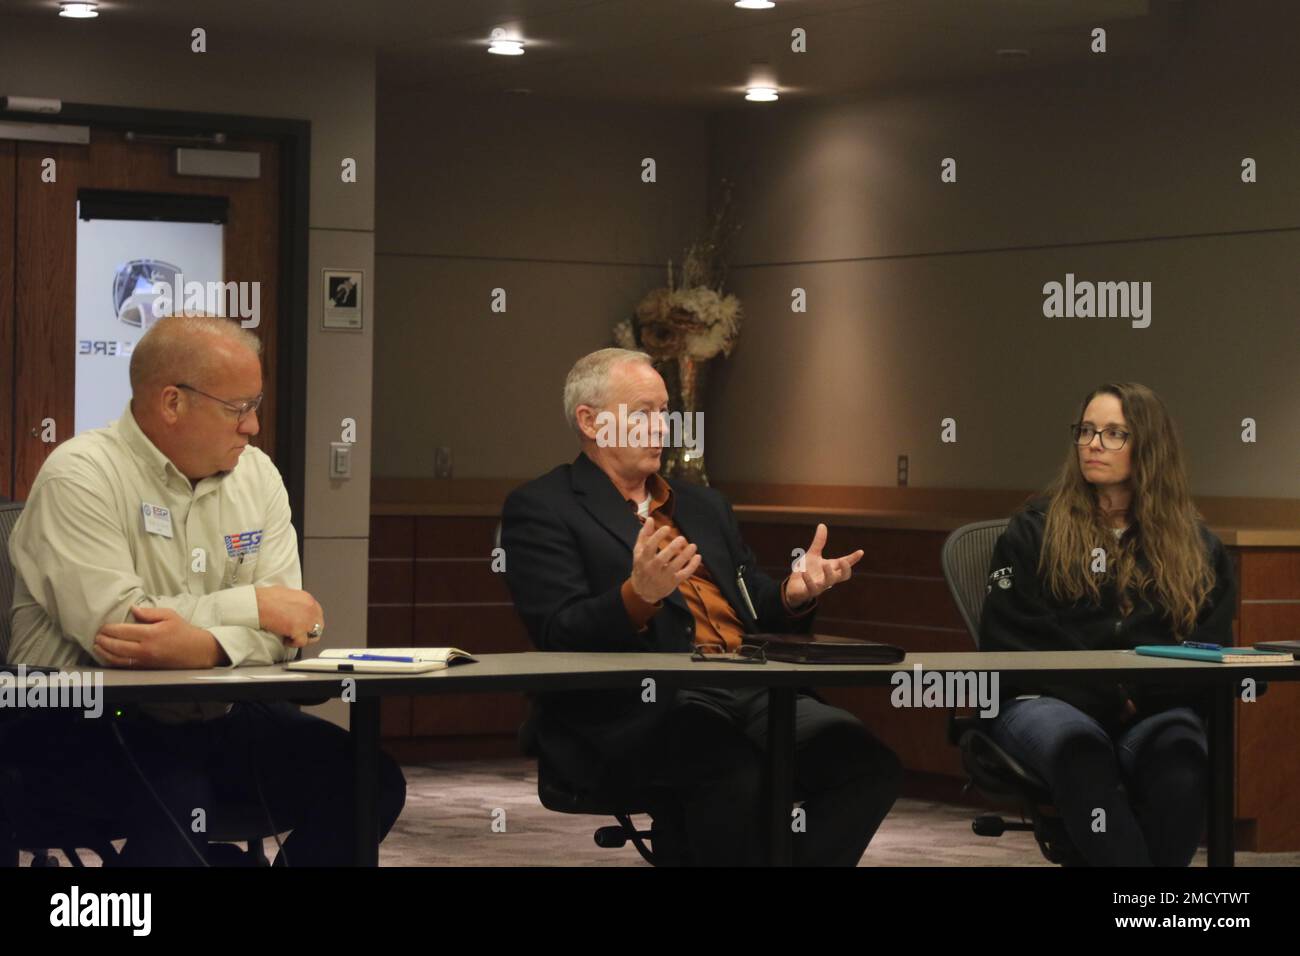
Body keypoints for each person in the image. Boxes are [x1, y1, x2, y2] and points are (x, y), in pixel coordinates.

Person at [4, 314, 405, 865]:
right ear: (172, 402)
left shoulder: (257, 476)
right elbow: (123, 632)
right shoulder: (80, 474)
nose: (254, 427)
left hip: (217, 714)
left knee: (369, 780)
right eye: (239, 408)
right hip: (83, 724)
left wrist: (206, 647)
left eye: (256, 405)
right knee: (180, 796)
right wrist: (253, 608)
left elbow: (290, 629)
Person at [502, 347, 901, 866]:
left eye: (665, 412)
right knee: (733, 772)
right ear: (591, 422)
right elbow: (559, 632)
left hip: (756, 690)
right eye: (643, 413)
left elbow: (754, 603)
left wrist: (794, 594)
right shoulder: (542, 508)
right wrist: (637, 595)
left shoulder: (703, 506)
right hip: (643, 704)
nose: (662, 427)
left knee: (867, 765)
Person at [979, 382, 1236, 866]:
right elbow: (1011, 638)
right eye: (1087, 431)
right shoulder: (1034, 530)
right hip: (1046, 701)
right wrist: (1113, 694)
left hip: (1154, 710)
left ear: (1150, 449)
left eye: (1114, 433)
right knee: (1080, 751)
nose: (1093, 444)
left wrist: (1142, 697)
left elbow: (1210, 647)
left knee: (1181, 763)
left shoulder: (1199, 547)